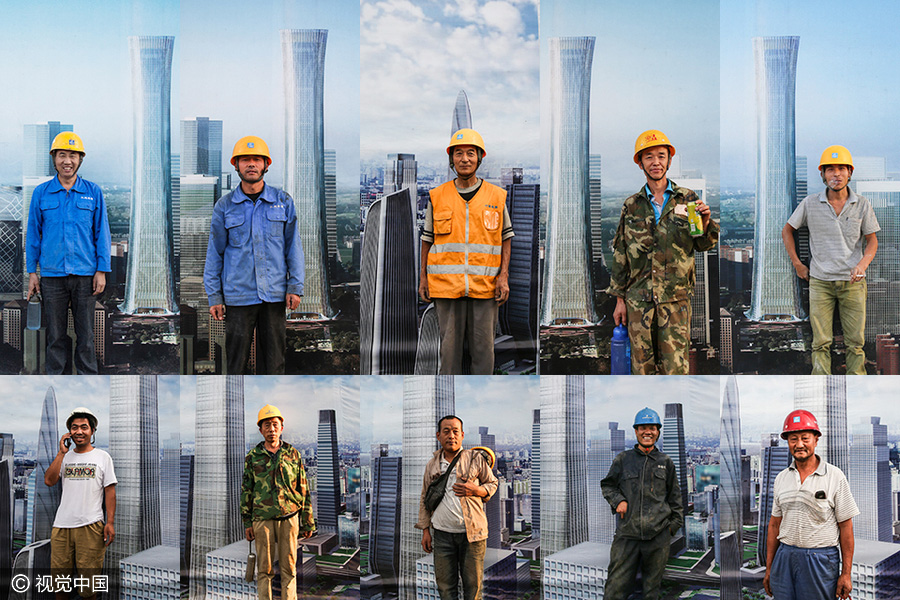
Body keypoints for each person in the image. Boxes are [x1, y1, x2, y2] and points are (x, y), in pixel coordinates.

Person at [608, 129, 719, 374]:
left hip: (675, 302)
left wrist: (707, 221)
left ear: (669, 160)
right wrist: (619, 300)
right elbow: (620, 253)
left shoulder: (687, 199)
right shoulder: (632, 205)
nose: (655, 162)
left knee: (675, 371)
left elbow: (703, 244)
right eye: (648, 157)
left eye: (661, 155)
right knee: (642, 370)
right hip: (639, 303)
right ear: (640, 164)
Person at [204, 136, 305, 375]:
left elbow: (294, 247)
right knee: (235, 363)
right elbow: (214, 253)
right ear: (236, 165)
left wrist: (295, 286)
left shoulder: (283, 202)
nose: (251, 164)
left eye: (256, 159)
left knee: (275, 362)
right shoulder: (224, 206)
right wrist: (214, 296)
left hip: (275, 295)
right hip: (238, 296)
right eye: (245, 160)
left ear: (266, 165)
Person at [418, 129, 514, 375]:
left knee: (484, 353)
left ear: (479, 158)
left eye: (470, 153)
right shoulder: (437, 196)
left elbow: (505, 238)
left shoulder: (496, 196)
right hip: (446, 288)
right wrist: (423, 279)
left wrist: (503, 276)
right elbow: (427, 240)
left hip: (485, 286)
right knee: (448, 355)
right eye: (458, 154)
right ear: (452, 160)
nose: (464, 159)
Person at [782, 145, 879, 375]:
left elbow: (872, 241)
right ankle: (820, 386)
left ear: (850, 173)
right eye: (830, 169)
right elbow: (787, 230)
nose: (836, 174)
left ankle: (856, 385)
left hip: (853, 284)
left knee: (855, 344)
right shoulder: (810, 203)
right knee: (820, 343)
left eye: (841, 169)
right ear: (823, 175)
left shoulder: (862, 204)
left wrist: (862, 265)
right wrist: (797, 263)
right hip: (820, 283)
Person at [26, 132, 111, 375]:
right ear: (54, 158)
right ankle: (57, 380)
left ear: (80, 159)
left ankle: (88, 380)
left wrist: (102, 271)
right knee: (55, 338)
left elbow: (101, 234)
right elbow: (33, 235)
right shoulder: (41, 193)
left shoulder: (93, 192)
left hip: (85, 276)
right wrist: (32, 272)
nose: (67, 161)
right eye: (62, 155)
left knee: (86, 339)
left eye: (72, 155)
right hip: (52, 277)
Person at [763, 410, 858, 600]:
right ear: (787, 442)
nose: (799, 445)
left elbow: (846, 527)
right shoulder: (781, 478)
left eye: (805, 438)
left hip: (820, 559)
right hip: (785, 556)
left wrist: (846, 573)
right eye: (793, 439)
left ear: (816, 439)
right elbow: (774, 525)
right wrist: (769, 568)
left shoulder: (834, 476)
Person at [601, 407, 682, 600]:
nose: (648, 432)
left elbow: (676, 500)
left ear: (658, 432)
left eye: (652, 428)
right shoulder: (624, 459)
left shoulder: (666, 461)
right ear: (636, 431)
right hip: (627, 536)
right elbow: (608, 485)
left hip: (657, 537)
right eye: (643, 427)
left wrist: (670, 530)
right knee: (614, 590)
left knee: (651, 592)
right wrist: (618, 500)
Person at [416, 415, 498, 600]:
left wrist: (476, 489)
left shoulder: (475, 458)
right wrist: (425, 531)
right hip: (442, 534)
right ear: (438, 436)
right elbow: (424, 498)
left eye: (455, 431)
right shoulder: (432, 465)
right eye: (446, 431)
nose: (451, 435)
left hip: (473, 535)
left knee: (473, 588)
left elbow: (493, 483)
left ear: (462, 435)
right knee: (445, 588)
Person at [241, 404, 315, 600]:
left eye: (275, 425)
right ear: (260, 430)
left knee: (289, 569)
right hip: (262, 519)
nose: (271, 429)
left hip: (289, 517)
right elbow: (246, 490)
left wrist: (307, 521)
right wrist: (247, 522)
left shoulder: (293, 454)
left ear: (282, 427)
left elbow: (303, 489)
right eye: (267, 425)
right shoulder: (252, 457)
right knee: (264, 569)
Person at [44, 407, 116, 600]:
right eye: (74, 428)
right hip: (61, 527)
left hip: (91, 526)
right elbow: (49, 481)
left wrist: (109, 523)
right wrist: (61, 453)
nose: (79, 431)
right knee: (60, 586)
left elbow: (110, 491)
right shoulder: (65, 457)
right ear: (69, 432)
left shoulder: (102, 457)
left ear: (92, 431)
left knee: (89, 587)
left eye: (84, 427)